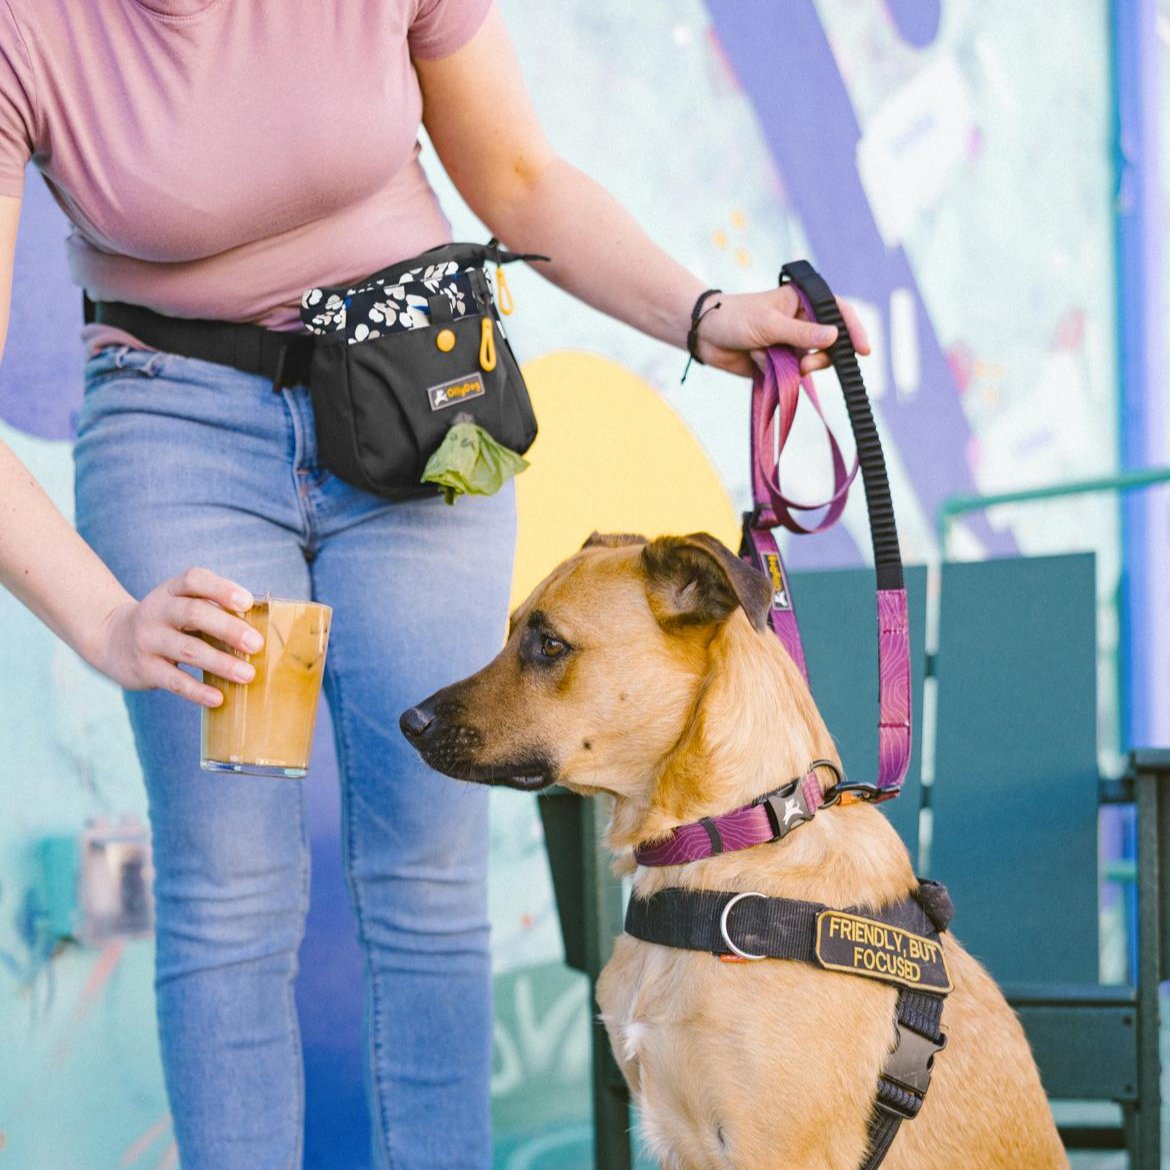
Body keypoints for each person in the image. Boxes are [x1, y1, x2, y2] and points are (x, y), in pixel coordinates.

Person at [0, 3, 869, 1168]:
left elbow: (519, 178)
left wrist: (704, 313)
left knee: (428, 868)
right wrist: (108, 622)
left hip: (420, 406)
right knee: (230, 888)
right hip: (178, 430)